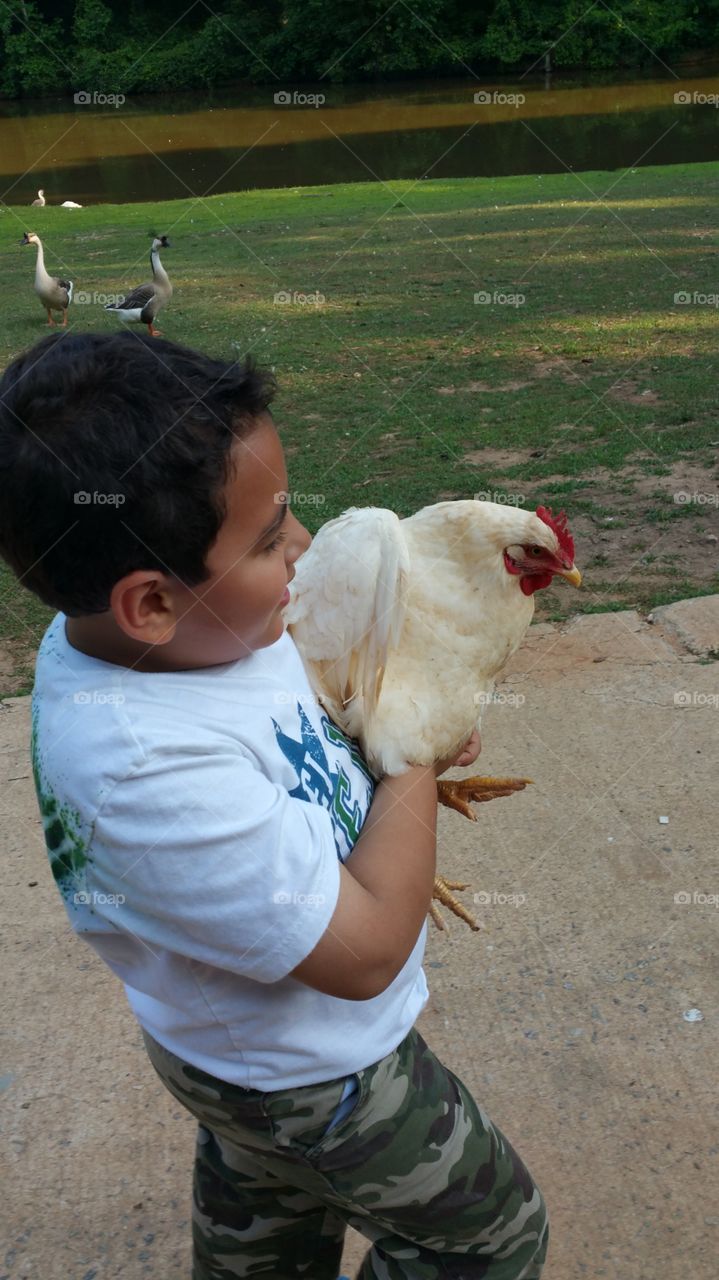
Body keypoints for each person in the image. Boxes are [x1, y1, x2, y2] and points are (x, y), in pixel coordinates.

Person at [0, 331, 549, 1279]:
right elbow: (367, 951)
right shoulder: (143, 771)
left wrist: (382, 728)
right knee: (489, 1239)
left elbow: (303, 702)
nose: (302, 544)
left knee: (269, 1236)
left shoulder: (191, 631)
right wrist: (412, 753)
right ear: (150, 603)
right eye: (268, 539)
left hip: (240, 1059)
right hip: (311, 1076)